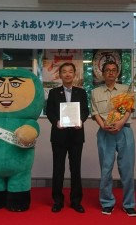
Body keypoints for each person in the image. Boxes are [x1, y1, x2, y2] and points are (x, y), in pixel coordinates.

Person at [91, 61, 136, 216]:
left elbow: (129, 108)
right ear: (102, 73)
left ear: (117, 73)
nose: (110, 72)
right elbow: (95, 112)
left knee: (127, 169)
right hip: (105, 133)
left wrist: (121, 123)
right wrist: (103, 125)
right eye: (107, 70)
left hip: (124, 131)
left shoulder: (125, 90)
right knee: (106, 169)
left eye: (114, 70)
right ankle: (107, 202)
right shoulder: (95, 92)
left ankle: (129, 203)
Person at [46, 62, 89, 213]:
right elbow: (49, 111)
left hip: (76, 135)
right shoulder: (53, 92)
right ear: (60, 75)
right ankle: (57, 201)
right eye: (64, 71)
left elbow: (85, 110)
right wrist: (56, 121)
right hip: (59, 136)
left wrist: (81, 120)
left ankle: (76, 201)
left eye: (70, 71)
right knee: (58, 169)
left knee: (75, 169)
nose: (68, 74)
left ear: (74, 74)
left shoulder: (81, 92)